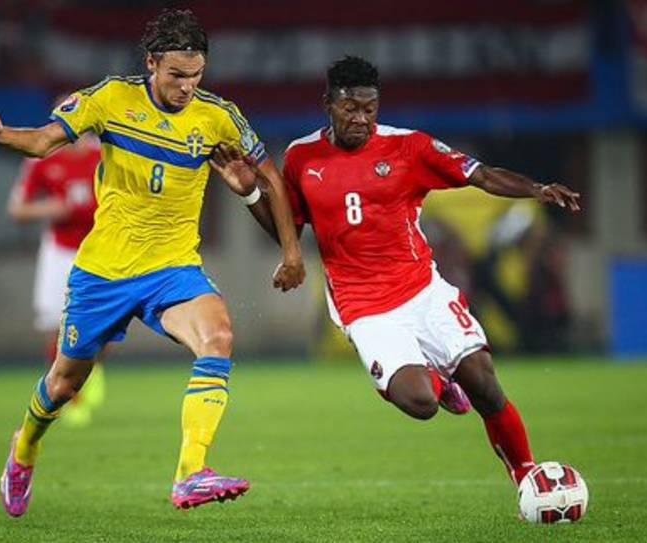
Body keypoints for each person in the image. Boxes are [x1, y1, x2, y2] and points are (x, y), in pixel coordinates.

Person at [0, 9, 305, 515]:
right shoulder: (111, 98)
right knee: (64, 383)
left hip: (173, 268)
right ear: (152, 62)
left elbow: (270, 176)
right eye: (177, 74)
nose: (187, 87)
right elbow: (44, 141)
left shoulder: (218, 116)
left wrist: (291, 252)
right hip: (105, 271)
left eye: (196, 75)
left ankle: (191, 473)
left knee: (219, 336)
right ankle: (24, 447)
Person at [210, 56, 581, 490]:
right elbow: (286, 230)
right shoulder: (301, 157)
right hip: (364, 307)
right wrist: (250, 193)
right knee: (421, 402)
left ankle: (526, 476)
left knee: (483, 382)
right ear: (328, 104)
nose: (361, 119)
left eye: (370, 109)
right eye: (350, 108)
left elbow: (480, 175)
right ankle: (440, 383)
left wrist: (536, 189)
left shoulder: (409, 147)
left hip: (422, 289)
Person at [7, 127, 104, 426]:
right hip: (59, 251)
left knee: (105, 324)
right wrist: (49, 208)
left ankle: (90, 372)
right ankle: (65, 393)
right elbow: (16, 209)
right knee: (54, 324)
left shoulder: (104, 152)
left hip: (100, 246)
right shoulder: (42, 156)